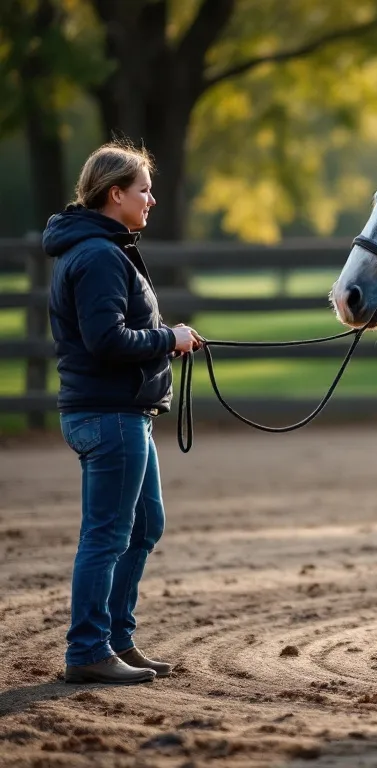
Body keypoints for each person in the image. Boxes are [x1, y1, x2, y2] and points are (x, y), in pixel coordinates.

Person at [43, 140, 202, 684]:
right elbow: (106, 340)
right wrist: (170, 338)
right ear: (116, 195)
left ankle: (115, 640)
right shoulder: (100, 256)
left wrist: (168, 338)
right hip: (109, 417)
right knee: (108, 534)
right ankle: (88, 650)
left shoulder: (103, 249)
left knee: (143, 527)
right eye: (144, 190)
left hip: (122, 415)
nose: (151, 200)